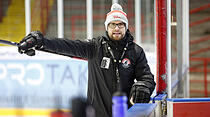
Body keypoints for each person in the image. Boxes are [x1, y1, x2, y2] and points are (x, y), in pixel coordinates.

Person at [18, 3, 156, 117]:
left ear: (126, 27)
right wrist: (41, 42)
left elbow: (147, 77)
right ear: (107, 27)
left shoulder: (136, 51)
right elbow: (68, 46)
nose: (116, 28)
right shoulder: (95, 47)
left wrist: (143, 86)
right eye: (112, 24)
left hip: (126, 113)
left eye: (120, 24)